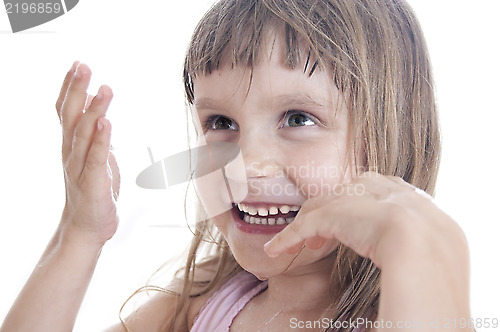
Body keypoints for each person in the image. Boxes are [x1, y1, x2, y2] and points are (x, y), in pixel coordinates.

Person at [0, 0, 472, 331]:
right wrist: (80, 232)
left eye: (298, 117)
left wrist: (421, 254)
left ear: (393, 133)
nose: (245, 164)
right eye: (221, 121)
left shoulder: (406, 314)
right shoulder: (208, 303)